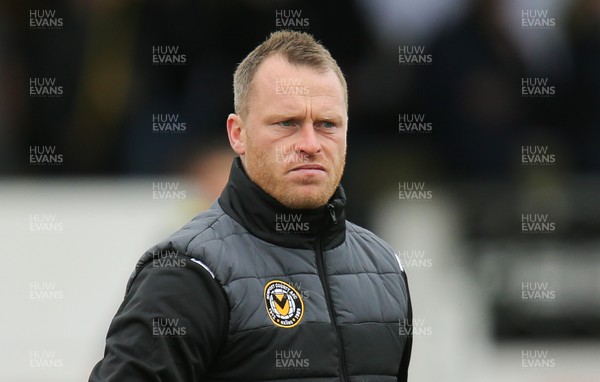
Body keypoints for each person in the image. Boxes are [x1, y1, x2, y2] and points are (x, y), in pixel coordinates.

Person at [89, 30, 412, 382]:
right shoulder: (188, 273)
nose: (310, 144)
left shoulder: (386, 270)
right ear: (237, 134)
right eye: (287, 123)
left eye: (327, 125)